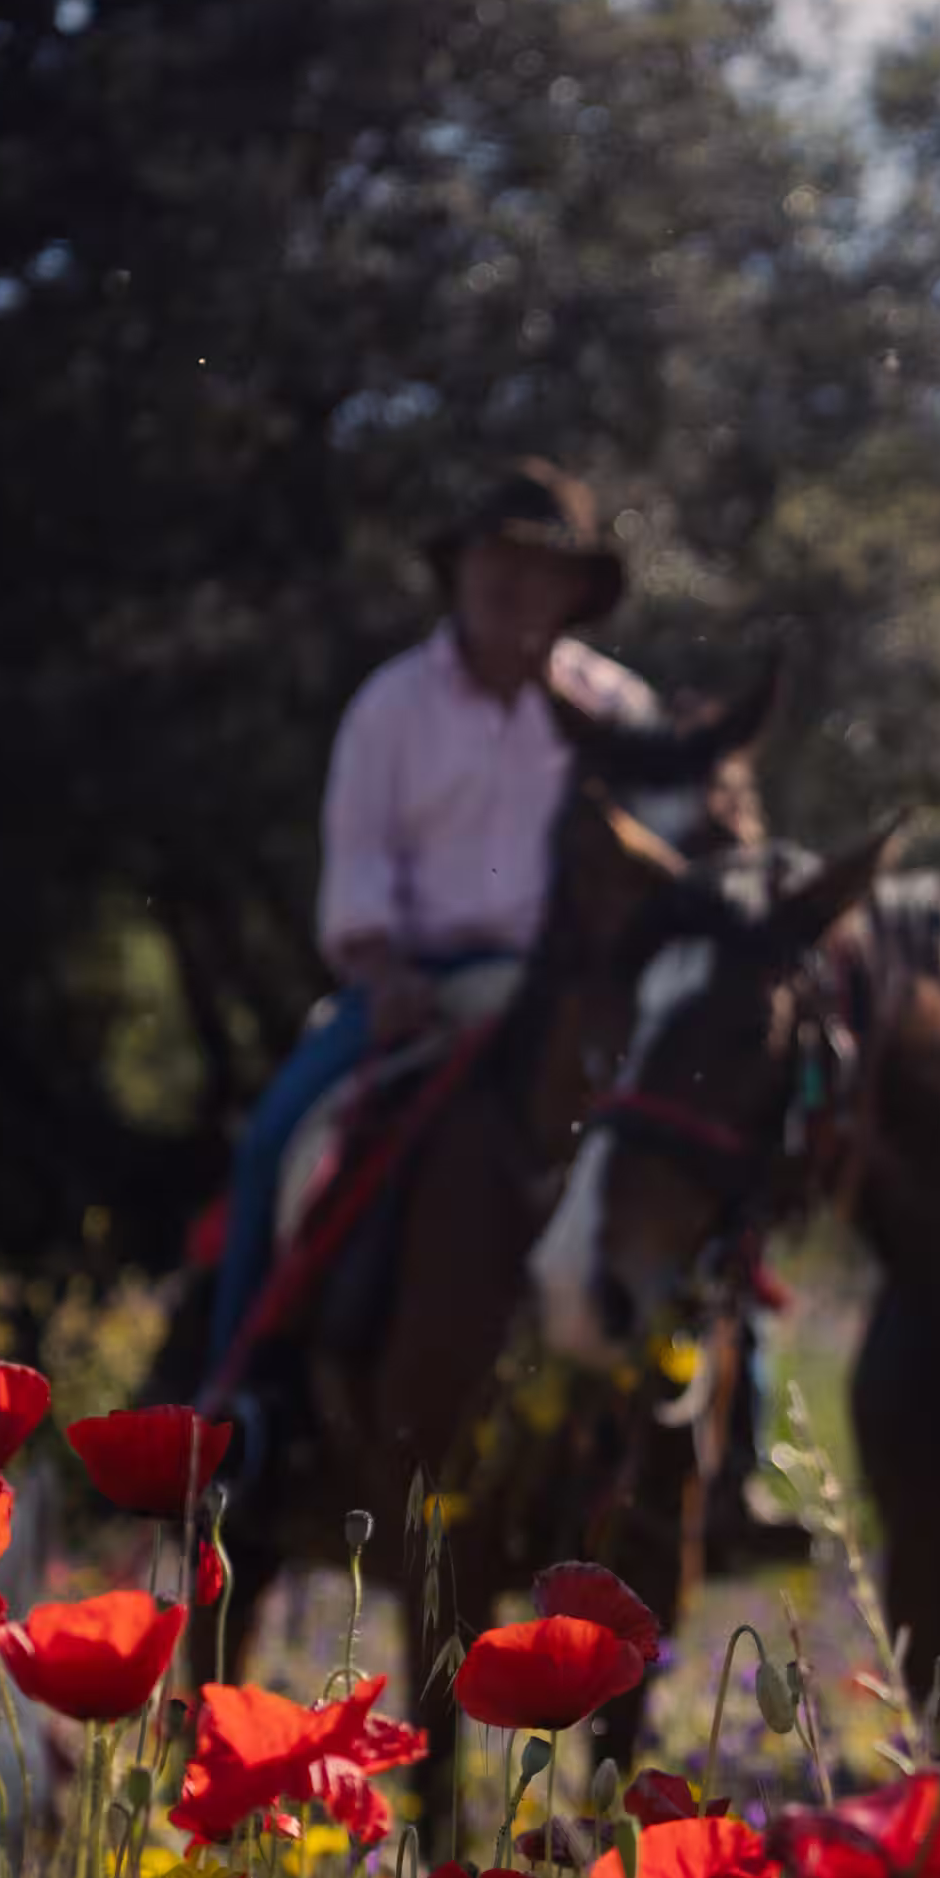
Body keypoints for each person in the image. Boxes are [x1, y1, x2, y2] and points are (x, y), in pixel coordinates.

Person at [199, 460, 658, 1390]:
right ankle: (235, 1407)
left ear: (576, 590)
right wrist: (388, 973)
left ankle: (729, 1440)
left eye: (537, 563)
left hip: (571, 995)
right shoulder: (391, 706)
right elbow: (359, 875)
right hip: (421, 986)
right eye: (492, 556)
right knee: (274, 1142)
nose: (508, 580)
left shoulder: (620, 715)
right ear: (456, 569)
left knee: (693, 1134)